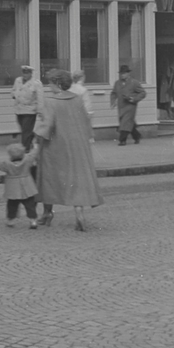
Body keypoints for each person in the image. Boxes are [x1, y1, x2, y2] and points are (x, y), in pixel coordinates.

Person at [31, 69, 104, 231]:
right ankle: (79, 214)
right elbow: (85, 120)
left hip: (55, 146)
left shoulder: (51, 102)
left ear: (57, 83)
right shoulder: (77, 99)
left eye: (50, 83)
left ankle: (47, 213)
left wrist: (36, 138)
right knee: (76, 180)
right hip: (78, 145)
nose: (49, 86)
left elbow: (47, 125)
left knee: (48, 178)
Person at [0, 143, 39, 229]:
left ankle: (11, 220)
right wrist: (36, 146)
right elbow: (34, 154)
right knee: (30, 205)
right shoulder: (27, 160)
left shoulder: (6, 164)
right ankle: (33, 220)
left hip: (13, 190)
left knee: (12, 205)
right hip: (27, 188)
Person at [110, 65, 147, 146]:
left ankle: (122, 140)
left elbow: (143, 93)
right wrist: (113, 102)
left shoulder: (134, 82)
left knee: (125, 122)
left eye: (124, 73)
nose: (122, 75)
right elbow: (113, 93)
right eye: (121, 73)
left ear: (128, 73)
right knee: (127, 122)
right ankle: (137, 136)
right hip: (121, 106)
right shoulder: (117, 83)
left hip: (130, 106)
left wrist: (134, 99)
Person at [11, 65, 44, 150]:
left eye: (27, 73)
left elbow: (40, 98)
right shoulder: (18, 80)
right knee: (24, 130)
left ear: (31, 73)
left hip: (30, 110)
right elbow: (13, 90)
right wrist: (14, 95)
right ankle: (30, 139)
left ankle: (25, 149)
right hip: (19, 109)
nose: (25, 75)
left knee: (26, 131)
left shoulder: (36, 83)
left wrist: (40, 111)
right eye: (23, 73)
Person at [69, 69, 94, 142]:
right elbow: (87, 104)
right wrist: (89, 114)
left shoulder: (70, 89)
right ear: (82, 77)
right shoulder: (83, 90)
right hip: (81, 114)